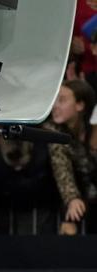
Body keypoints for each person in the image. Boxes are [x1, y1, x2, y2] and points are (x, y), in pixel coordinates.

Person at [43, 80, 97, 235]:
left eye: (62, 100)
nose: (55, 106)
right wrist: (71, 198)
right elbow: (61, 167)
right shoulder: (53, 130)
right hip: (61, 199)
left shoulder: (92, 128)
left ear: (80, 105)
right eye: (55, 100)